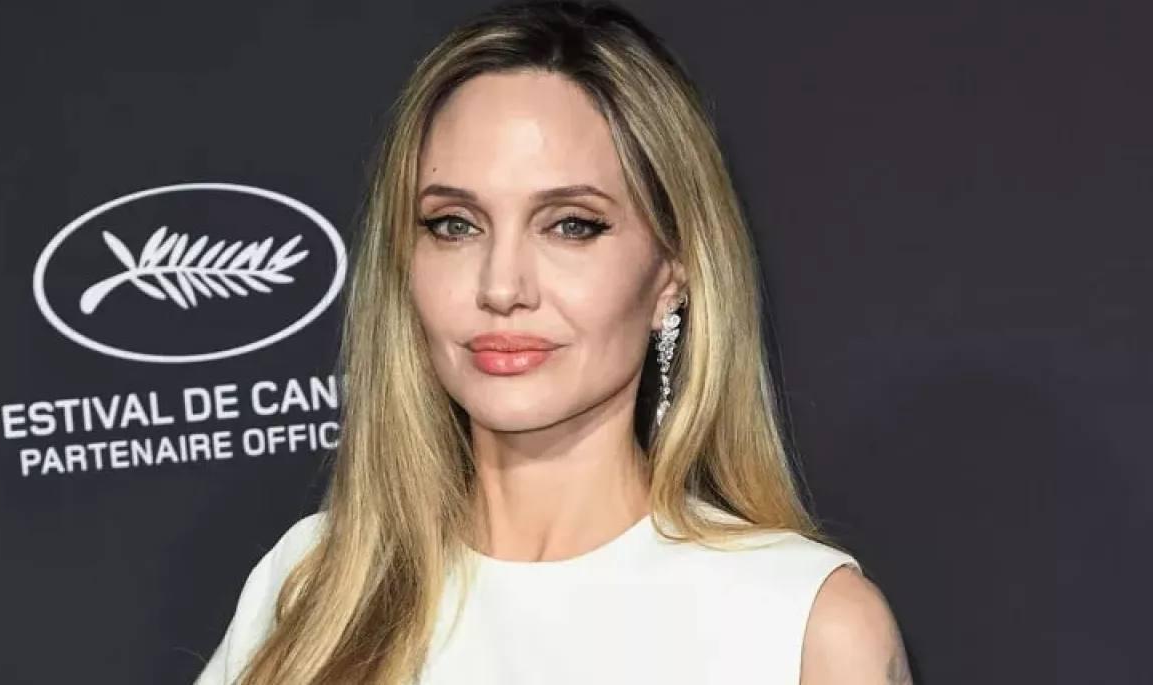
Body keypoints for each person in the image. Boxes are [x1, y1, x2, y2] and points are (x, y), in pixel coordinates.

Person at [196, 1, 912, 683]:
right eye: (454, 225)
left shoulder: (802, 625)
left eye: (571, 224)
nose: (502, 285)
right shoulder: (311, 586)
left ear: (672, 271)